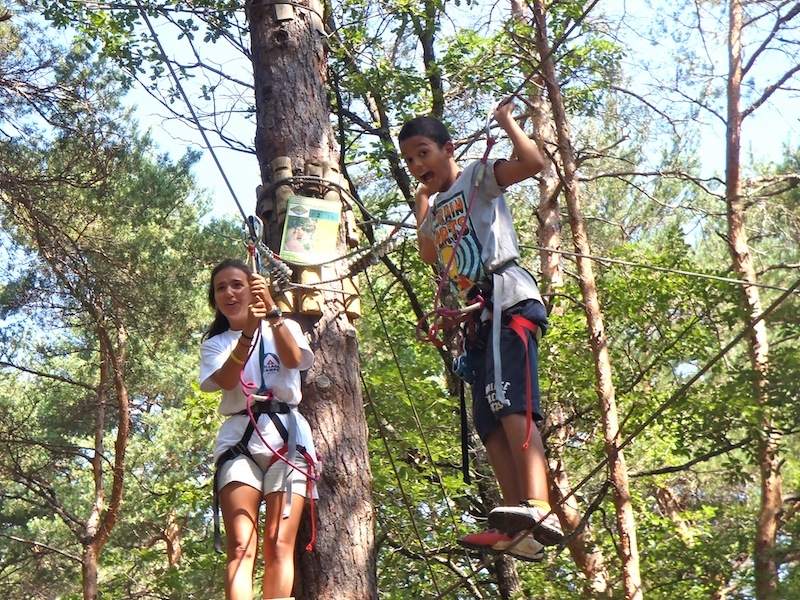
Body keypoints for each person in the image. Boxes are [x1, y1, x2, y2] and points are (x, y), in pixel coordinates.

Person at [398, 101, 564, 561]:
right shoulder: (434, 207)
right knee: (487, 419)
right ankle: (518, 522)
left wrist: (508, 123)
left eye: (423, 153)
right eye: (409, 160)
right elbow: (430, 255)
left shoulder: (476, 176)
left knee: (512, 402)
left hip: (509, 298)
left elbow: (532, 163)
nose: (416, 165)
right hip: (479, 319)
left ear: (448, 149)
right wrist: (421, 208)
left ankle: (537, 503)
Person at [200, 258, 316, 600]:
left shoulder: (285, 327)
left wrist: (273, 316)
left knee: (279, 541)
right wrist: (248, 331)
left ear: (252, 288)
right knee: (241, 545)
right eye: (221, 288)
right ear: (215, 299)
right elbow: (225, 380)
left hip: (288, 438)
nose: (230, 293)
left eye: (237, 284)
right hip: (240, 440)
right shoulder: (216, 344)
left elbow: (294, 360)